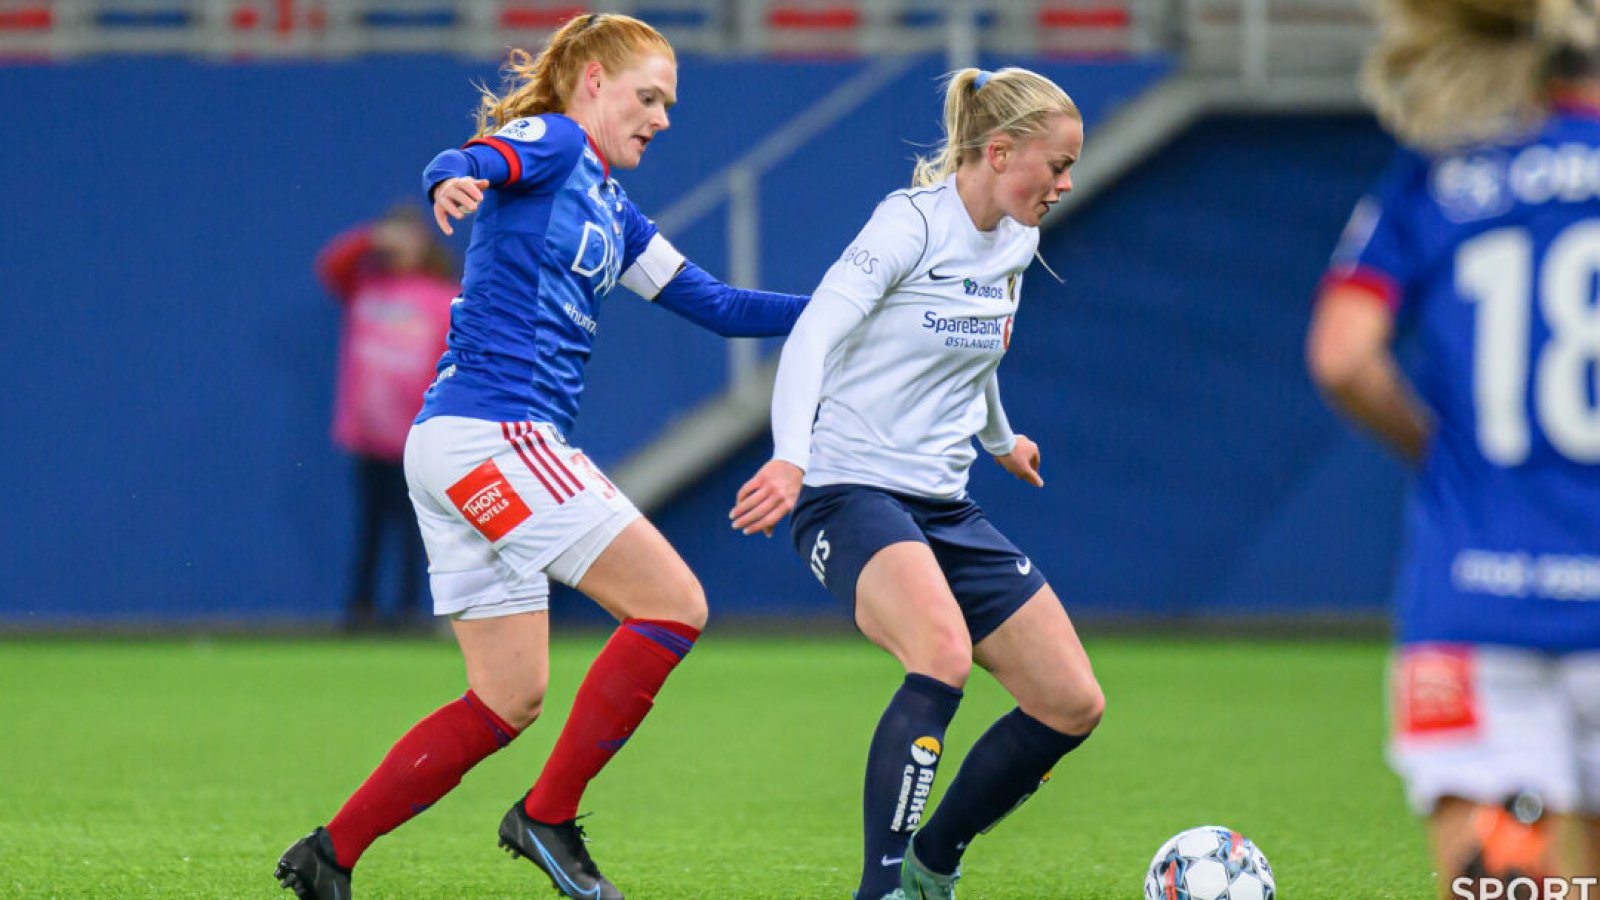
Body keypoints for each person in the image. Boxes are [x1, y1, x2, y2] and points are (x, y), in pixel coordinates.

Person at [275, 13, 808, 900]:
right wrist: (449, 177)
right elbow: (479, 156)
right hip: (498, 433)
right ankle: (547, 818)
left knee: (506, 699)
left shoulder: (611, 203)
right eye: (650, 97)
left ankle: (330, 855)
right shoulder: (559, 142)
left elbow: (714, 303)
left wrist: (838, 310)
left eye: (668, 103)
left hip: (457, 448)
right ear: (591, 80)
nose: (663, 118)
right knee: (673, 604)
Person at [730, 67, 1104, 900]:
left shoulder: (1018, 238)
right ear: (999, 150)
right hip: (847, 489)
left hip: (945, 502)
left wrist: (1002, 440)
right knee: (940, 656)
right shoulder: (906, 226)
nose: (1067, 183)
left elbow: (979, 350)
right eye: (1058, 164)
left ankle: (935, 863)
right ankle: (883, 889)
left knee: (1071, 702)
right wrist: (791, 455)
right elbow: (813, 338)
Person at [1307, 0, 1600, 892]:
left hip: (1474, 606)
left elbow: (1344, 355)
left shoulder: (1442, 170)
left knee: (1505, 885)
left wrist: (1448, 449)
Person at [315, 204, 457, 631]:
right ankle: (361, 608)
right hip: (368, 434)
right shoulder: (365, 286)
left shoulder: (442, 295)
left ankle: (410, 610)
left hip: (416, 434)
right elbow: (331, 264)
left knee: (416, 528)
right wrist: (372, 238)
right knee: (370, 524)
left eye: (408, 237)